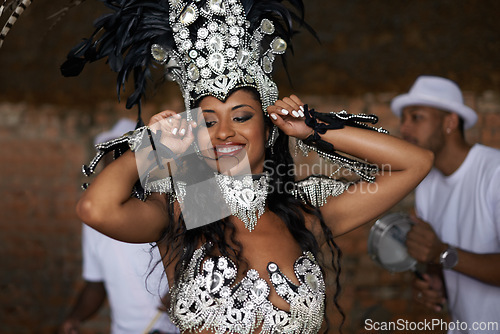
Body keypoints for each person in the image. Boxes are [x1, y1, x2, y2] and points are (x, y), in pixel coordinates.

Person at [62, 1, 433, 333]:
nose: (224, 132)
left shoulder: (302, 215)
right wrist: (155, 147)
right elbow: (95, 208)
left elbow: (415, 164)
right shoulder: (183, 211)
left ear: (269, 127)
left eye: (241, 117)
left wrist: (312, 128)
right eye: (207, 122)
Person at [391, 75, 500, 333]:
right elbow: (439, 261)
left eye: (416, 117)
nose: (404, 129)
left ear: (450, 122)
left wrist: (442, 253)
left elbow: (444, 253)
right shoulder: (427, 184)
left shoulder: (494, 172)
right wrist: (434, 284)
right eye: (404, 119)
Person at [59, 119, 179, 334]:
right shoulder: (94, 222)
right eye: (111, 156)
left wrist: (184, 290)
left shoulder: (167, 204)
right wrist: (74, 318)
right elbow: (96, 284)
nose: (115, 163)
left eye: (123, 154)